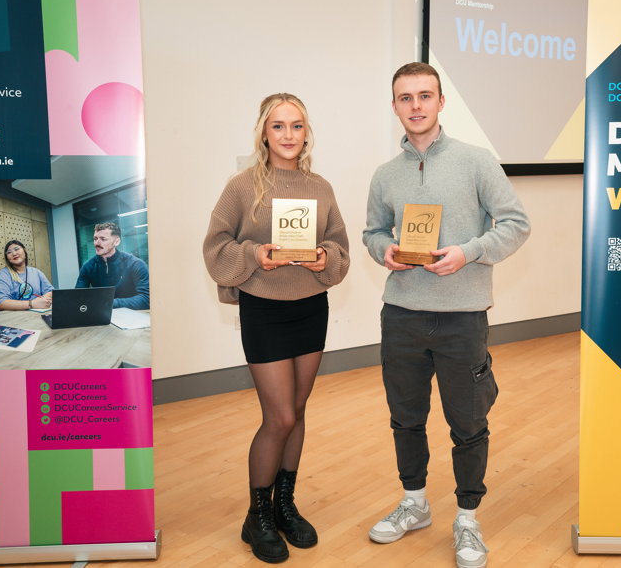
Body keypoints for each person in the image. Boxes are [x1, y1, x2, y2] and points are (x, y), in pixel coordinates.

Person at [362, 63, 531, 568]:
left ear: (440, 102)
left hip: (461, 318)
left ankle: (467, 518)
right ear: (394, 106)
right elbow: (372, 231)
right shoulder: (384, 175)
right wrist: (383, 251)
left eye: (425, 95)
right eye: (405, 97)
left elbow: (517, 224)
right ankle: (414, 504)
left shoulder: (477, 162)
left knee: (468, 422)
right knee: (405, 419)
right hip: (402, 316)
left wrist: (470, 251)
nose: (415, 105)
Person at [203, 93, 350, 563]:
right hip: (264, 309)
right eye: (279, 126)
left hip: (311, 307)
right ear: (263, 133)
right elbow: (215, 246)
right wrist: (254, 255)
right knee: (280, 416)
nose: (289, 135)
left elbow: (339, 247)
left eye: (297, 125)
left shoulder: (321, 187)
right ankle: (257, 515)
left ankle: (285, 506)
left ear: (307, 132)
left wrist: (327, 256)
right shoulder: (243, 186)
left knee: (299, 410)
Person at [75, 222, 150, 310]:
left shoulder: (135, 264)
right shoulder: (88, 267)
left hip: (131, 316)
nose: (97, 243)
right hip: (101, 315)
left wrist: (109, 303)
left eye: (103, 239)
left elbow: (146, 299)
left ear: (116, 242)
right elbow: (78, 297)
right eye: (95, 239)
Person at [0, 240, 55, 310]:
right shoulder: (2, 276)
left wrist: (41, 301)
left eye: (16, 249)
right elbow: (1, 303)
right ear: (7, 257)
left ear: (24, 250)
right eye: (9, 252)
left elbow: (50, 291)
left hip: (36, 313)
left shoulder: (36, 272)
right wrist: (32, 303)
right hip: (13, 316)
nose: (14, 253)